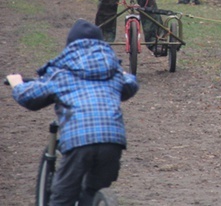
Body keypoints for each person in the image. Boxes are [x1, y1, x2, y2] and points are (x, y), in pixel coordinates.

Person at [7, 19, 139, 205]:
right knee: (93, 189)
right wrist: (126, 75)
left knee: (63, 196)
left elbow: (30, 98)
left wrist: (17, 84)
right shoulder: (113, 71)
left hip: (79, 141)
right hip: (113, 141)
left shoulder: (61, 73)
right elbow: (130, 85)